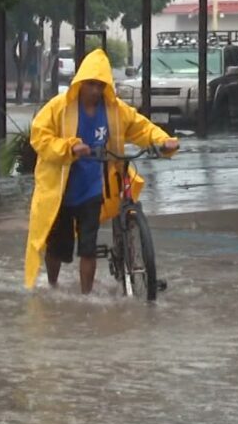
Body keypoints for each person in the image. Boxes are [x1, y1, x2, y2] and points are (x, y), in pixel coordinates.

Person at [24, 48, 179, 294]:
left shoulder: (115, 111)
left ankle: (86, 298)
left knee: (88, 247)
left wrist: (165, 141)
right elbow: (39, 136)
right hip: (61, 190)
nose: (95, 91)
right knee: (57, 248)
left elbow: (141, 127)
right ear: (80, 84)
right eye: (91, 85)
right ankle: (52, 288)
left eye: (100, 85)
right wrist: (69, 147)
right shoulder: (59, 107)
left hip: (93, 189)